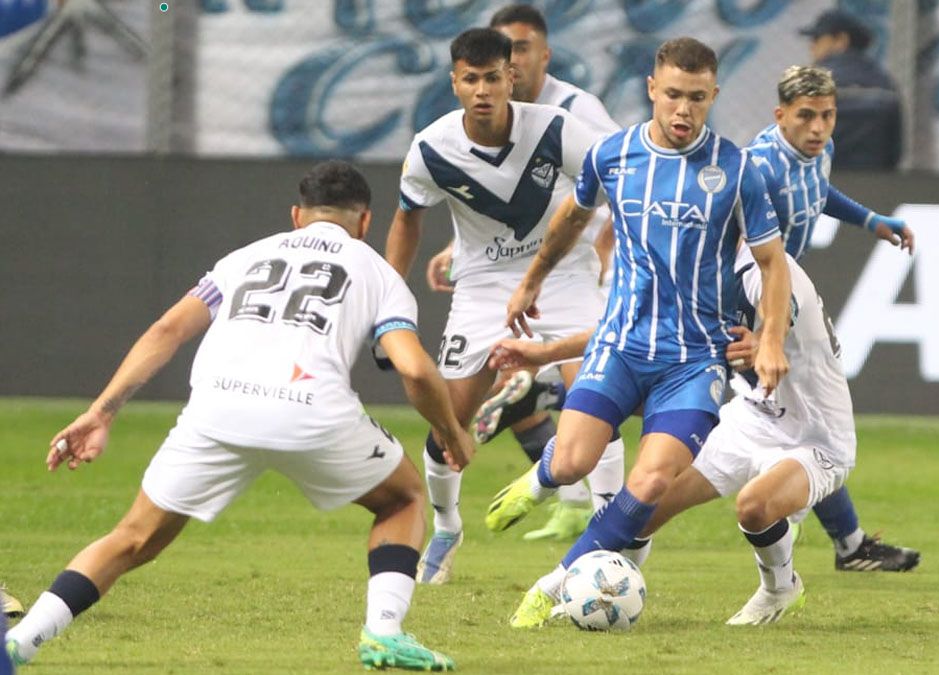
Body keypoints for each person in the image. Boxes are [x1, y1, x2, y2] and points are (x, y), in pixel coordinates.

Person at [5, 161, 471, 671]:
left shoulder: (243, 258)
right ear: (365, 222)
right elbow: (415, 370)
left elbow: (166, 331)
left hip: (217, 409)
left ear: (296, 216)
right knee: (403, 499)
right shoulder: (379, 273)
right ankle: (384, 631)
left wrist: (101, 412)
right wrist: (450, 431)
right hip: (311, 412)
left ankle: (20, 641)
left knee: (133, 538)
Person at [484, 37, 793, 629]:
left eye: (697, 98)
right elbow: (572, 217)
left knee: (649, 482)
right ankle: (546, 474)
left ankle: (552, 586)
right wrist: (531, 282)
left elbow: (772, 263)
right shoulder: (612, 155)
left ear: (714, 96)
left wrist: (771, 337)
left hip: (693, 361)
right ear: (652, 89)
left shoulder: (737, 170)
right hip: (619, 347)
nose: (683, 110)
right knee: (573, 463)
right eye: (673, 94)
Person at [384, 28, 624, 583]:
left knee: (601, 400)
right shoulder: (431, 149)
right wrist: (389, 298)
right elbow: (407, 219)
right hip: (484, 285)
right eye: (471, 79)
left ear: (511, 78)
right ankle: (446, 527)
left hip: (563, 276)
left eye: (493, 78)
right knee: (449, 419)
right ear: (454, 83)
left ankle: (610, 539)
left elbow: (621, 187)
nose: (483, 90)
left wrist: (621, 257)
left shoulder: (557, 129)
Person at [746, 64, 919, 572]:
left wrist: (870, 220)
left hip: (780, 303)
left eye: (827, 115)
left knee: (807, 426)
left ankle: (848, 543)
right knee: (787, 426)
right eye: (806, 116)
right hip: (748, 306)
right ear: (780, 114)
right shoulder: (758, 169)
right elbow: (735, 251)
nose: (819, 127)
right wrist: (760, 331)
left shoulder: (819, 151)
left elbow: (818, 192)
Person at [799, 9, 901, 170]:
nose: (812, 46)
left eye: (817, 39)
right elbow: (895, 149)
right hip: (874, 178)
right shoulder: (884, 83)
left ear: (841, 40)